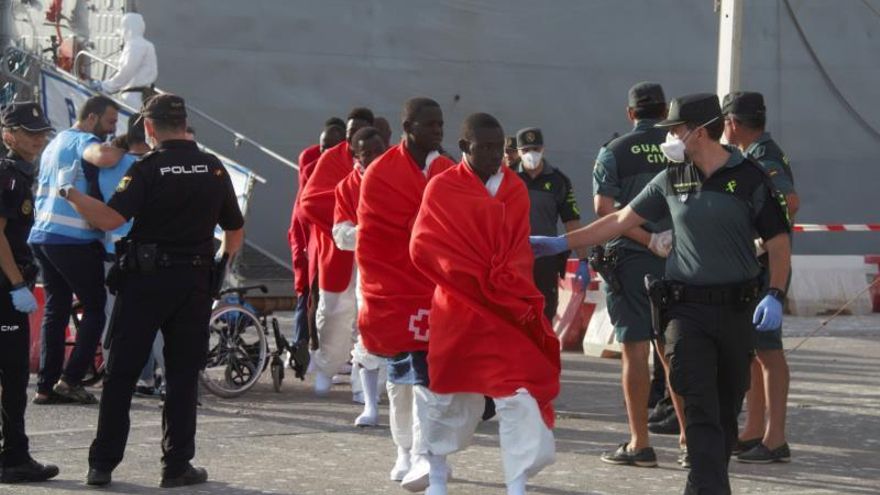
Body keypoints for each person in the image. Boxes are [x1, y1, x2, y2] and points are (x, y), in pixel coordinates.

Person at [530, 93, 791, 494]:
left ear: (699, 132)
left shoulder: (751, 177)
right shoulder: (672, 176)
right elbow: (619, 218)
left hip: (736, 309)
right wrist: (559, 243)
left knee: (724, 407)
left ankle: (711, 482)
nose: (669, 136)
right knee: (698, 400)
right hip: (686, 310)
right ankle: (703, 487)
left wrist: (774, 292)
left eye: (676, 129)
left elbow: (777, 240)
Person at [59, 94, 245, 488]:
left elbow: (112, 218)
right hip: (195, 283)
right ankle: (177, 465)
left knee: (122, 374)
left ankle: (102, 465)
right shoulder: (213, 168)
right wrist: (219, 270)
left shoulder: (149, 169)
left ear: (149, 127)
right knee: (181, 376)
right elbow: (235, 229)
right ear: (184, 123)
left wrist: (72, 196)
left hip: (146, 283)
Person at [410, 112, 561, 495]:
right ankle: (438, 473)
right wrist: (473, 276)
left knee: (517, 394)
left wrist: (503, 279)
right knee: (449, 397)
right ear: (465, 148)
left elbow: (517, 249)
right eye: (487, 148)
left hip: (504, 309)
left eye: (501, 148)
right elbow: (425, 247)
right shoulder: (442, 188)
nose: (498, 156)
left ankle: (516, 482)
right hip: (458, 308)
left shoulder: (513, 189)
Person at [355, 97, 455, 488]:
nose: (439, 131)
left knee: (431, 377)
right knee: (401, 377)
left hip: (436, 289)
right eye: (431, 124)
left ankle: (428, 455)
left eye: (441, 124)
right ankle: (405, 450)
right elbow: (381, 231)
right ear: (408, 126)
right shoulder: (381, 172)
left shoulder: (445, 168)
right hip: (395, 285)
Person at [592, 82, 685, 468]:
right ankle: (688, 440)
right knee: (675, 351)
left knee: (634, 351)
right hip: (679, 261)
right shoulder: (680, 149)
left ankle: (640, 443)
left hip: (630, 261)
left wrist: (647, 240)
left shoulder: (613, 151)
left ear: (630, 114)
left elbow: (603, 209)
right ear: (664, 112)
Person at [29, 95, 120, 405]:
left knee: (56, 310)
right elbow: (102, 157)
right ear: (92, 118)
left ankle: (45, 385)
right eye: (109, 123)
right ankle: (70, 381)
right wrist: (124, 152)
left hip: (44, 235)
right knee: (96, 307)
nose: (111, 131)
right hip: (73, 238)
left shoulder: (55, 142)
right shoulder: (84, 140)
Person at [723, 91, 798, 464]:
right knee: (754, 350)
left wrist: (760, 240)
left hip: (768, 267)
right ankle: (754, 430)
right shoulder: (754, 155)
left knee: (769, 352)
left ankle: (775, 437)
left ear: (733, 123)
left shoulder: (764, 158)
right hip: (757, 266)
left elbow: (789, 201)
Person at [0, 102, 60, 483]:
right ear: (8, 134)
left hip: (10, 284)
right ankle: (14, 457)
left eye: (41, 133)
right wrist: (18, 284)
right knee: (13, 373)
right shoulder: (8, 177)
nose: (37, 139)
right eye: (29, 132)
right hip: (6, 288)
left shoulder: (18, 174)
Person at [299, 108, 374, 395]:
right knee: (332, 314)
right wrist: (351, 217)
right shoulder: (333, 158)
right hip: (338, 250)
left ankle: (363, 385)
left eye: (357, 130)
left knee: (366, 317)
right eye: (348, 131)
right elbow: (310, 202)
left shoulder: (384, 161)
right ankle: (327, 367)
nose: (350, 136)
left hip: (371, 255)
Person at [332, 126, 387, 426]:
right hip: (370, 272)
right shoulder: (347, 187)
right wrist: (372, 232)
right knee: (367, 334)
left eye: (379, 151)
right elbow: (340, 235)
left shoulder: (403, 177)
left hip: (409, 271)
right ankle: (369, 403)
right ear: (356, 155)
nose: (374, 158)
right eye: (367, 153)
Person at [288, 120, 345, 377]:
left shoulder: (339, 169)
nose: (325, 152)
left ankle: (325, 352)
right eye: (323, 147)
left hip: (328, 242)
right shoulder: (311, 167)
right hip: (310, 241)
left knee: (328, 301)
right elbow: (303, 210)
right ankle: (304, 350)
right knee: (308, 297)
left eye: (331, 147)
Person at [515, 127, 587, 322]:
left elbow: (572, 222)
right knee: (514, 311)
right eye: (526, 150)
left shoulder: (559, 181)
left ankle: (542, 352)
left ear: (543, 149)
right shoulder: (508, 176)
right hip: (513, 258)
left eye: (536, 148)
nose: (532, 154)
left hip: (546, 260)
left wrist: (583, 260)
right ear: (518, 151)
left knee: (546, 312)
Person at [90, 13, 158, 111]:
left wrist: (106, 86)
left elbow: (127, 71)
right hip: (145, 95)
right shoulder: (148, 45)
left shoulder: (135, 45)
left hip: (133, 98)